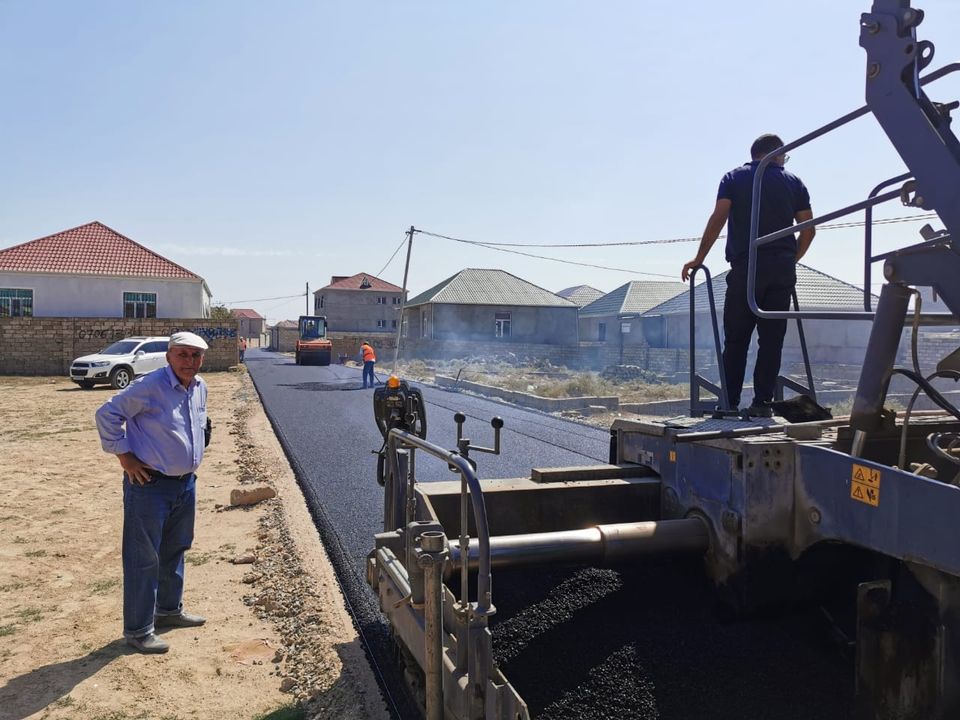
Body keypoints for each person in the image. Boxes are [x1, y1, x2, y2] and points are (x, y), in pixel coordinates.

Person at [681, 133, 815, 413]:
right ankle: (762, 403)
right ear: (777, 154)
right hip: (781, 272)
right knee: (772, 340)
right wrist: (791, 260)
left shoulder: (734, 178)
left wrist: (699, 258)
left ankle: (728, 402)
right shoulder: (794, 182)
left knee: (736, 339)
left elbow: (719, 217)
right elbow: (809, 230)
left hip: (747, 269)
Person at [95, 331, 210, 654]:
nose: (189, 361)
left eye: (196, 355)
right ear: (169, 356)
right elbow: (107, 414)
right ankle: (138, 630)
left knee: (176, 549)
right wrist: (125, 456)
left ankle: (169, 610)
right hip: (149, 486)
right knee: (143, 558)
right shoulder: (150, 386)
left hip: (185, 483)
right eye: (182, 354)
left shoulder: (200, 387)